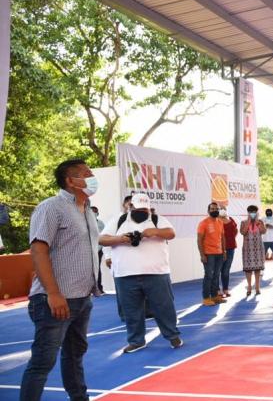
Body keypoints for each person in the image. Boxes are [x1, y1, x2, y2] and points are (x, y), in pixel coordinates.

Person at [20, 159, 100, 401]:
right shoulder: (51, 207)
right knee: (43, 362)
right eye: (86, 174)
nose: (92, 177)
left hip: (82, 298)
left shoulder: (86, 210)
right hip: (54, 300)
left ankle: (79, 398)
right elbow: (38, 250)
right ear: (70, 180)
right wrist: (54, 293)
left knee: (74, 356)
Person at [99, 193, 182, 353]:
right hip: (125, 274)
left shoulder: (157, 219)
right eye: (138, 209)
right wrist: (121, 239)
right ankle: (136, 341)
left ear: (149, 208)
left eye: (145, 209)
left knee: (164, 307)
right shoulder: (119, 220)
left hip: (157, 272)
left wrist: (154, 232)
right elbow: (101, 239)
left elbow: (171, 233)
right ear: (130, 207)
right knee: (131, 310)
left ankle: (172, 336)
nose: (142, 212)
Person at [197, 202, 227, 306]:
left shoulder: (220, 222)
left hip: (219, 253)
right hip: (208, 254)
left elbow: (222, 237)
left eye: (216, 209)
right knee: (209, 275)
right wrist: (202, 255)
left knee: (216, 275)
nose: (214, 210)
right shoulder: (203, 223)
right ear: (208, 211)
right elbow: (199, 239)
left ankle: (214, 296)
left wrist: (224, 251)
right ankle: (206, 298)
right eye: (212, 209)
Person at [240, 205, 266, 297]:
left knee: (257, 268)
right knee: (248, 269)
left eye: (254, 211)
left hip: (258, 248)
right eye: (251, 212)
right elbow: (243, 232)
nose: (253, 213)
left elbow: (263, 231)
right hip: (247, 249)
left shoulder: (260, 222)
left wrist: (258, 223)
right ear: (248, 213)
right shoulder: (243, 222)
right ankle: (249, 287)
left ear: (257, 212)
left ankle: (257, 287)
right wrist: (248, 222)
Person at [219, 206, 239, 298]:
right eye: (220, 208)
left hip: (231, 247)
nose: (222, 210)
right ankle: (217, 290)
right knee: (218, 269)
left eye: (224, 208)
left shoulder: (231, 219)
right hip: (219, 248)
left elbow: (236, 230)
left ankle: (226, 289)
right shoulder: (216, 220)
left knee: (226, 270)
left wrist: (232, 238)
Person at [92, 206, 106, 294]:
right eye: (92, 212)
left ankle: (99, 288)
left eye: (95, 212)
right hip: (88, 250)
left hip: (98, 249)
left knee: (97, 268)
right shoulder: (84, 221)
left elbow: (103, 236)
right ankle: (89, 289)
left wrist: (98, 248)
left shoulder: (101, 223)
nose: (94, 213)